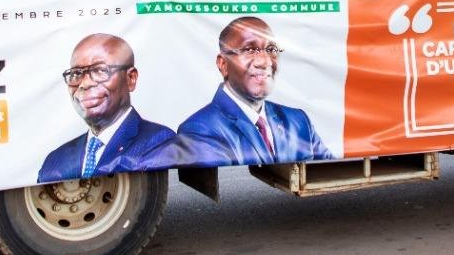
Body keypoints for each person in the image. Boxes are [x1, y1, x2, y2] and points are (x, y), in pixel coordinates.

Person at [173, 16, 335, 166]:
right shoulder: (199, 130)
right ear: (223, 64)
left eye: (271, 49)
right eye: (249, 49)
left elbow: (331, 178)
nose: (265, 61)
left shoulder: (298, 121)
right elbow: (232, 192)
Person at [38, 34, 176, 183]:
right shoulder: (55, 161)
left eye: (99, 71)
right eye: (76, 73)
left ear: (131, 78)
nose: (84, 83)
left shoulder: (159, 141)